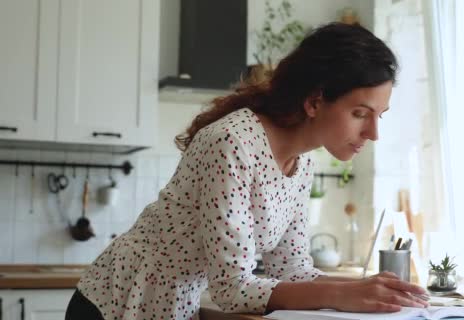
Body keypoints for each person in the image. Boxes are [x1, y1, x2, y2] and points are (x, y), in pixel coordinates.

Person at [65, 22, 428, 320]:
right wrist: (340, 292)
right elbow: (232, 288)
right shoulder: (232, 142)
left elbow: (292, 269)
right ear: (315, 101)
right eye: (360, 114)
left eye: (380, 116)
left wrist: (365, 290)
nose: (373, 134)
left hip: (171, 309)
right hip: (114, 305)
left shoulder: (304, 163)